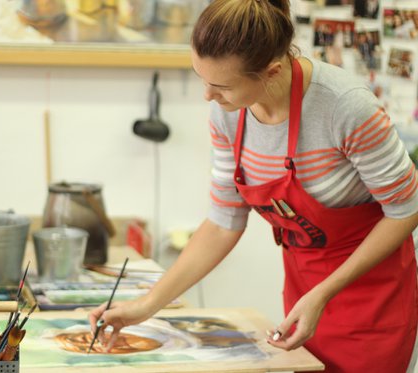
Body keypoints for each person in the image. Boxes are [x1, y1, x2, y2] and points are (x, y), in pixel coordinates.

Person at [89, 0, 418, 372]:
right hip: (303, 295)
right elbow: (223, 222)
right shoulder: (229, 113)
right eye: (201, 78)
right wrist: (146, 305)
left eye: (221, 85)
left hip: (371, 304)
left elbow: (406, 210)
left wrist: (323, 293)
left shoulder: (346, 108)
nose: (207, 96)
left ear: (271, 72)